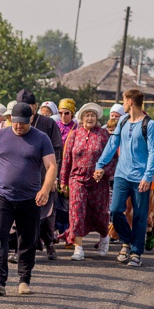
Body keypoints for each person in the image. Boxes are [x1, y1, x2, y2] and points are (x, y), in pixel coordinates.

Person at [0, 102, 56, 295]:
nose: (19, 126)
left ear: (31, 120)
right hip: (2, 195)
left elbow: (51, 166)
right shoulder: (0, 136)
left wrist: (45, 189)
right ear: (10, 119)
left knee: (27, 239)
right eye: (15, 122)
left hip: (30, 198)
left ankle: (24, 279)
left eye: (23, 123)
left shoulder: (41, 138)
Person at [94, 89, 154, 267]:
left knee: (139, 215)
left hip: (141, 178)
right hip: (122, 174)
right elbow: (112, 144)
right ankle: (127, 240)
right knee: (115, 210)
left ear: (130, 101)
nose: (122, 103)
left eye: (123, 99)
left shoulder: (149, 124)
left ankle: (136, 252)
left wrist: (148, 176)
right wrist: (100, 164)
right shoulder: (122, 121)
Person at [59, 103, 115, 260]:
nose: (90, 118)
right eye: (86, 115)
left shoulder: (103, 134)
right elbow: (67, 159)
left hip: (99, 181)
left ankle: (104, 237)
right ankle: (78, 248)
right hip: (77, 179)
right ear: (81, 118)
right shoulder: (75, 134)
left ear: (96, 118)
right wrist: (63, 181)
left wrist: (104, 171)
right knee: (76, 212)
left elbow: (112, 157)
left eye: (92, 115)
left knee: (100, 213)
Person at [15, 89, 63, 260]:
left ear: (34, 106)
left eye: (28, 106)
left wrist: (55, 177)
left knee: (46, 215)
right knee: (22, 216)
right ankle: (20, 250)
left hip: (45, 176)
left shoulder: (48, 123)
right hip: (24, 180)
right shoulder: (15, 124)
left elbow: (57, 150)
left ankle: (50, 244)